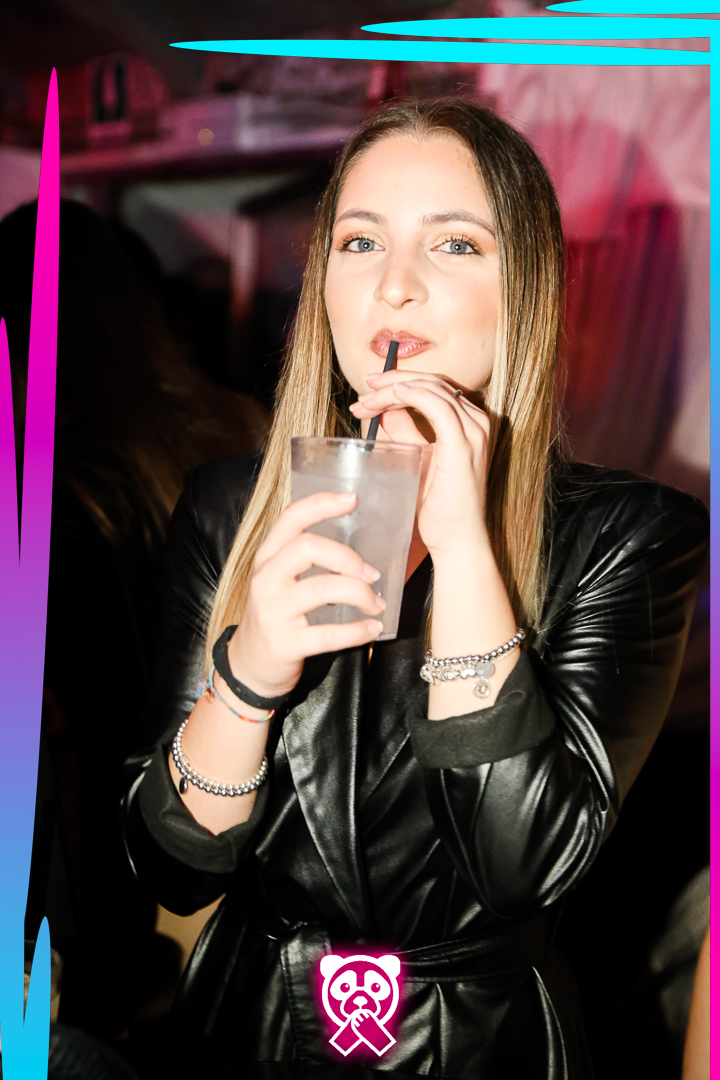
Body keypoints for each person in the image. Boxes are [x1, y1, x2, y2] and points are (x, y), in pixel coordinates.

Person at [120, 99, 709, 1078]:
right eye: (360, 242)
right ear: (324, 286)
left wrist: (467, 550)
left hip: (482, 1048)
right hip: (248, 1031)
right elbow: (172, 869)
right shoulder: (231, 507)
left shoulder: (629, 534)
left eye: (454, 245)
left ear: (525, 289)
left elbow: (522, 870)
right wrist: (249, 676)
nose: (395, 285)